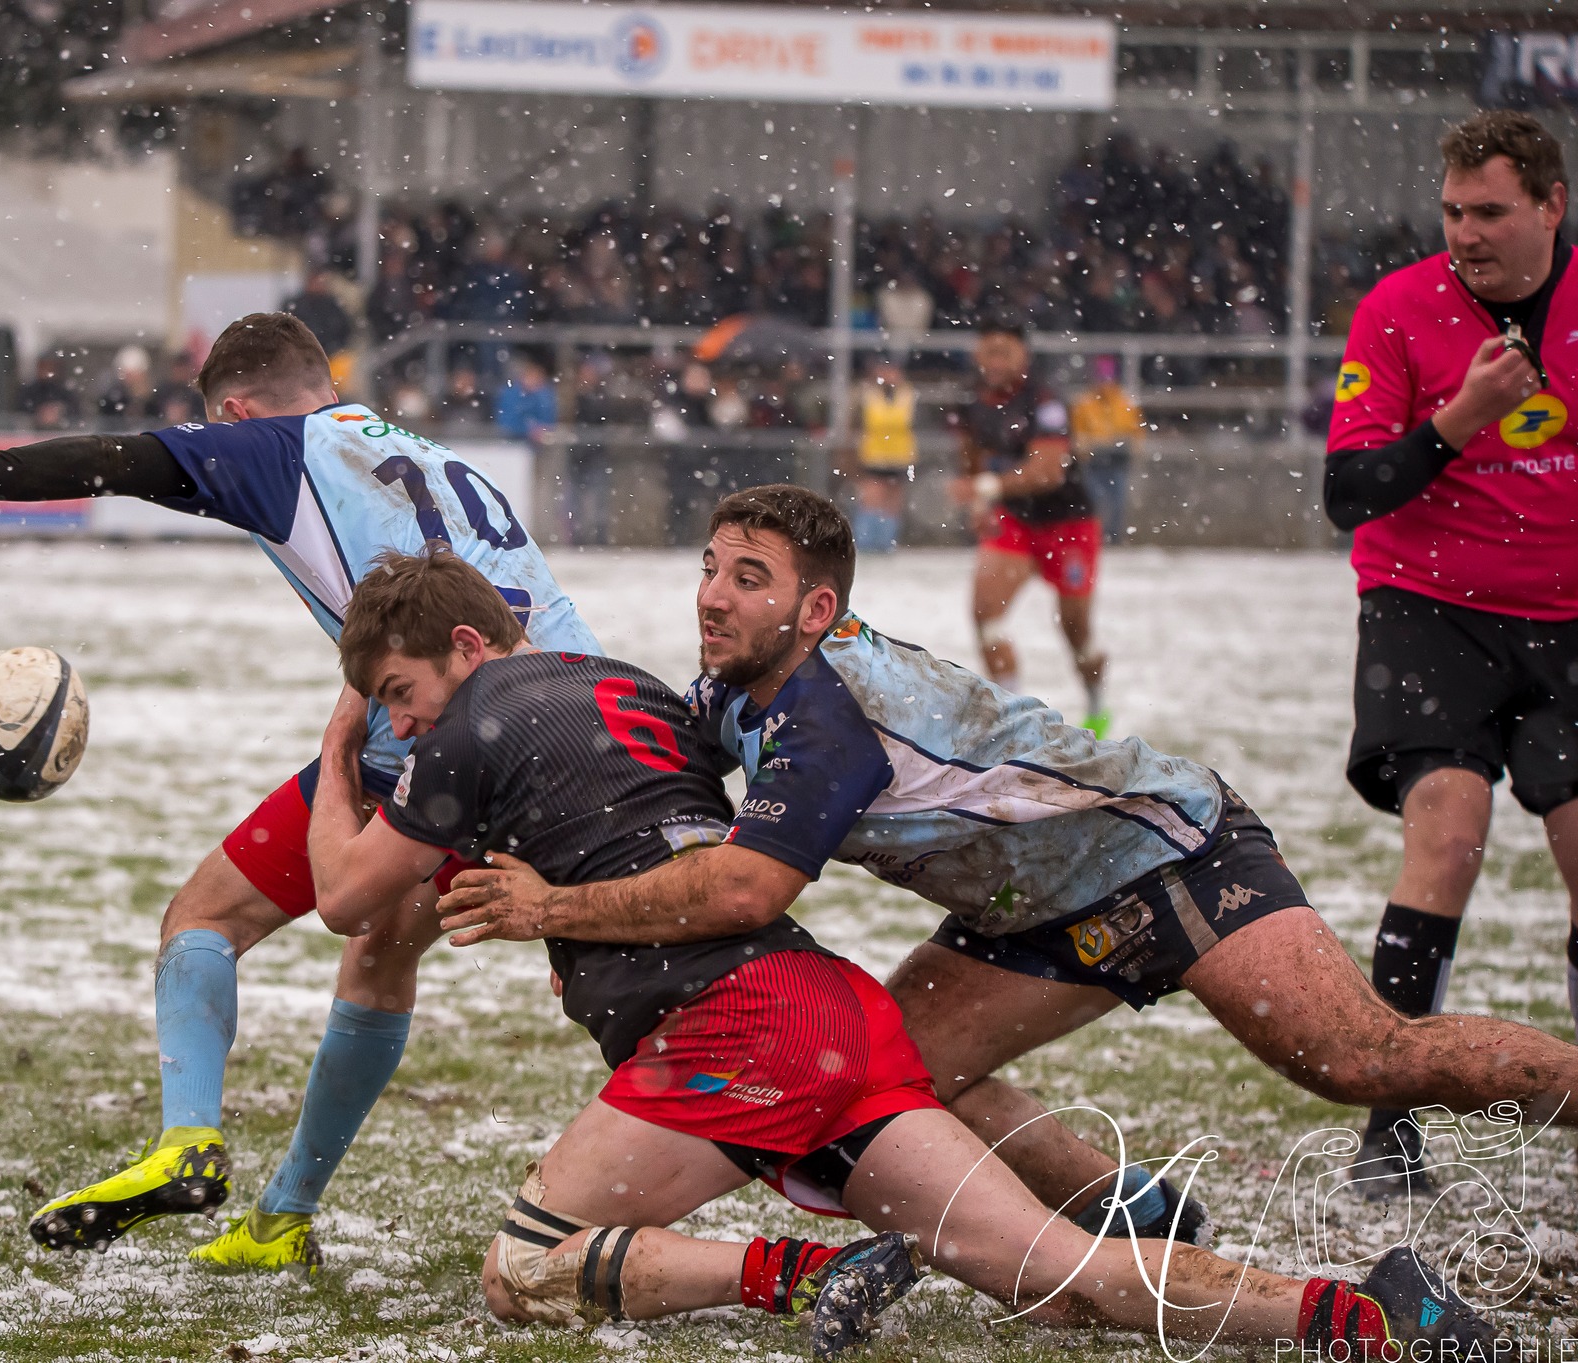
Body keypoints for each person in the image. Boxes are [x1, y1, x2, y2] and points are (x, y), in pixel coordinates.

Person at [309, 546, 1490, 1359]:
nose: (402, 722)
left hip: (732, 1035)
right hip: (827, 1004)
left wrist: (337, 752)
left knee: (522, 1267)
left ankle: (805, 1274)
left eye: (401, 693)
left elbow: (343, 899)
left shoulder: (468, 726)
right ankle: (1361, 1310)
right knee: (1055, 1271)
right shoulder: (626, 685)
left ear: (466, 648)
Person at [437, 484, 1578, 1249]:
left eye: (748, 576)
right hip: (1032, 907)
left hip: (1166, 855)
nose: (712, 595)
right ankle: (1120, 1210)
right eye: (709, 568)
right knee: (889, 1073)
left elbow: (741, 888)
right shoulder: (733, 687)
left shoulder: (829, 712)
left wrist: (557, 907)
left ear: (815, 608)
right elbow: (639, 783)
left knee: (1363, 1058)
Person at [0, 312, 598, 1273]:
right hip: (566, 716)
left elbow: (106, 459)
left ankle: (189, 1141)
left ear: (235, 411)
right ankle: (282, 1216)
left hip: (430, 736)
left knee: (204, 917)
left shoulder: (272, 447)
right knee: (385, 954)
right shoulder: (416, 448)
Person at [1322, 109, 1578, 1195]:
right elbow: (1346, 493)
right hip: (1428, 608)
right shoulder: (1397, 310)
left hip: (1567, 617)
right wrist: (1458, 419)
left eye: (1489, 211)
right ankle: (1390, 1120)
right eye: (1451, 211)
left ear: (1549, 206)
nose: (1465, 232)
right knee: (1448, 835)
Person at [949, 323, 1108, 734]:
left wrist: (985, 486)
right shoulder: (973, 401)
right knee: (986, 618)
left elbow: (1049, 472)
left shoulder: (1045, 401)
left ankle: (1097, 702)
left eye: (1005, 351)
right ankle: (1012, 720)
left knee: (1076, 630)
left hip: (1068, 523)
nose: (995, 361)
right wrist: (982, 503)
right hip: (1016, 519)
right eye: (989, 351)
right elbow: (973, 456)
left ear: (1024, 355)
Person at [1069, 355, 1143, 547]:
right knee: (1092, 502)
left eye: (1108, 379)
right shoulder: (1084, 404)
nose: (1105, 384)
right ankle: (1093, 538)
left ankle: (1114, 538)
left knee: (1118, 502)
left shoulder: (1125, 403)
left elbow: (1135, 432)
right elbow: (1078, 434)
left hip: (1116, 462)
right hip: (1093, 463)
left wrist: (1121, 445)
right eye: (1102, 379)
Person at [849, 355, 917, 553]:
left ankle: (887, 543)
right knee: (871, 499)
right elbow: (854, 425)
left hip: (900, 456)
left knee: (893, 502)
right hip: (873, 456)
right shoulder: (866, 395)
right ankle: (865, 543)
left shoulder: (908, 394)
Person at [283, 269, 354, 359]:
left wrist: (334, 347)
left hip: (330, 355)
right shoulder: (296, 305)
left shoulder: (332, 305)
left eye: (321, 282)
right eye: (316, 281)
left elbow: (345, 329)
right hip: (301, 355)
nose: (318, 284)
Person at [493, 353, 557, 443]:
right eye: (531, 376)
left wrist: (540, 429)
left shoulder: (544, 395)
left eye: (537, 377)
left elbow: (549, 418)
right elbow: (505, 421)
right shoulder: (510, 394)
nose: (534, 380)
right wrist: (527, 430)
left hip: (540, 443)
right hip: (510, 442)